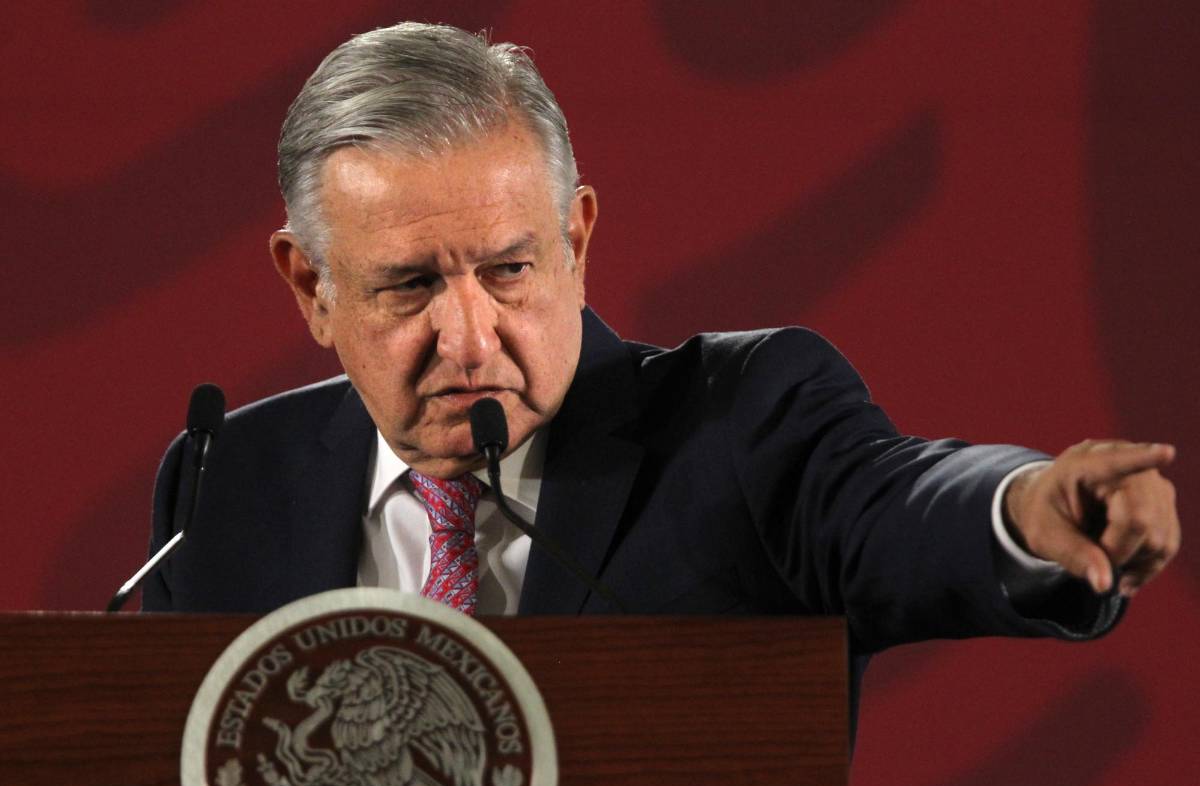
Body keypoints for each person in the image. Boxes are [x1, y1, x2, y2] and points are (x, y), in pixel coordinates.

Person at [143, 21, 1180, 722]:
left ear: (576, 239)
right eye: (411, 286)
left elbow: (896, 505)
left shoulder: (740, 424)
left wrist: (1022, 509)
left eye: (509, 270)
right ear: (312, 286)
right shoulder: (226, 482)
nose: (470, 338)